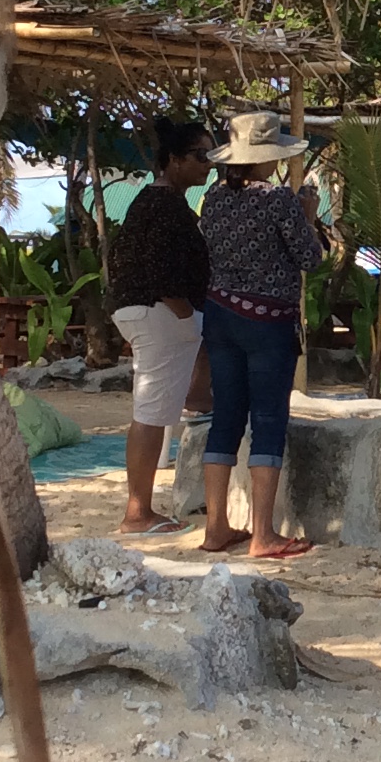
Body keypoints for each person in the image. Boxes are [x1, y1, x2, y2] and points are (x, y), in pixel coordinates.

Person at [197, 111, 328, 559]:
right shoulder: (277, 200)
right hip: (268, 321)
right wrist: (308, 218)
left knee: (225, 419)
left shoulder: (213, 198)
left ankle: (215, 527)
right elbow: (310, 258)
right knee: (268, 421)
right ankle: (263, 534)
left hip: (220, 316)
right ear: (266, 158)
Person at [107, 118, 217, 534]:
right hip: (160, 313)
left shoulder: (153, 202)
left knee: (155, 408)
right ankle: (138, 512)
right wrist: (186, 316)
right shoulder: (167, 207)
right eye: (200, 155)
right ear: (174, 160)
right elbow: (161, 270)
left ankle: (199, 398)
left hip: (146, 311)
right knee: (151, 413)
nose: (208, 164)